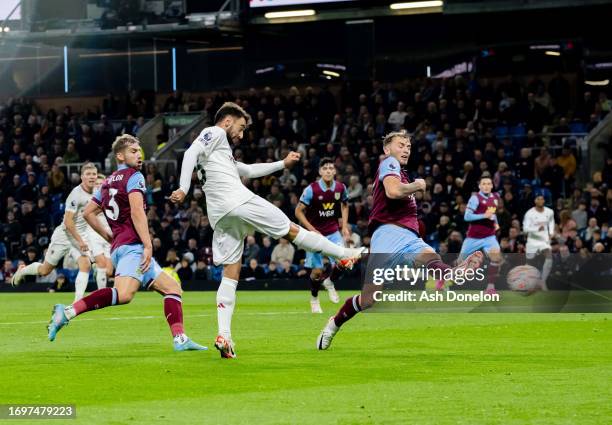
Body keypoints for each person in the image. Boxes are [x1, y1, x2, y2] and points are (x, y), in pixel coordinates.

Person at [170, 102, 365, 358]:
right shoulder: (215, 133)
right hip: (238, 201)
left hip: (220, 215)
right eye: (240, 128)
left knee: (231, 271)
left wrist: (282, 163)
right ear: (228, 121)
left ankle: (224, 336)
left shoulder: (220, 154)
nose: (241, 135)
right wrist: (183, 188)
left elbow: (249, 170)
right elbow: (189, 152)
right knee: (292, 231)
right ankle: (342, 254)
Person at [316, 131, 483, 350]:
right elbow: (394, 192)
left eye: (409, 147)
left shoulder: (401, 173)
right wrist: (418, 185)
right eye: (401, 145)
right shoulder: (389, 163)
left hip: (409, 239)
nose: (406, 149)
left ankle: (454, 273)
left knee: (431, 257)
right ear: (387, 149)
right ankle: (333, 324)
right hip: (387, 237)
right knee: (368, 300)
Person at [46, 135, 206, 351]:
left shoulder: (108, 181)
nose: (139, 154)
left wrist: (109, 236)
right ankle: (66, 313)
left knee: (172, 288)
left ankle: (180, 339)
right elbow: (138, 211)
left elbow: (88, 213)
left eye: (139, 151)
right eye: (133, 151)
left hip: (122, 245)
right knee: (123, 294)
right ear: (120, 156)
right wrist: (148, 245)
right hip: (133, 246)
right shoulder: (134, 176)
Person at [12, 163, 105, 300]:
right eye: (88, 174)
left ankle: (77, 303)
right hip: (64, 235)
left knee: (85, 265)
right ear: (82, 177)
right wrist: (80, 241)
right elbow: (68, 222)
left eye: (94, 174)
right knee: (45, 270)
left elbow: (92, 214)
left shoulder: (97, 195)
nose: (92, 177)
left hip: (80, 236)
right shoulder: (76, 194)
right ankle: (23, 270)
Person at [295, 158, 350, 313]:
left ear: (334, 171)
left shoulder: (340, 188)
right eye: (324, 168)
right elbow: (298, 211)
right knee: (317, 271)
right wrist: (311, 229)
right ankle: (314, 298)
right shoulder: (311, 190)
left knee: (343, 261)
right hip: (314, 235)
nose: (328, 170)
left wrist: (344, 226)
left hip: (333, 232)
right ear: (320, 171)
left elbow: (345, 205)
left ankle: (329, 281)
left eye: (330, 168)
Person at [455, 175, 502, 295]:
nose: (486, 186)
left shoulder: (496, 197)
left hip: (489, 236)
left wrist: (495, 223)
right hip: (474, 237)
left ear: (492, 185)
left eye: (488, 184)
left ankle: (490, 288)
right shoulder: (475, 198)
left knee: (496, 257)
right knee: (460, 262)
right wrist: (483, 216)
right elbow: (467, 216)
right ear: (480, 186)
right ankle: (443, 278)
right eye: (484, 184)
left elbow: (492, 214)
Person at [523, 193, 556, 289]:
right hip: (532, 240)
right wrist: (537, 229)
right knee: (530, 262)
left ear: (544, 201)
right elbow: (525, 229)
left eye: (542, 199)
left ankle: (543, 281)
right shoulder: (529, 213)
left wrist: (551, 232)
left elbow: (551, 222)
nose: (541, 201)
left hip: (544, 241)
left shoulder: (550, 212)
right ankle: (525, 282)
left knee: (549, 256)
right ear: (535, 201)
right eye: (538, 199)